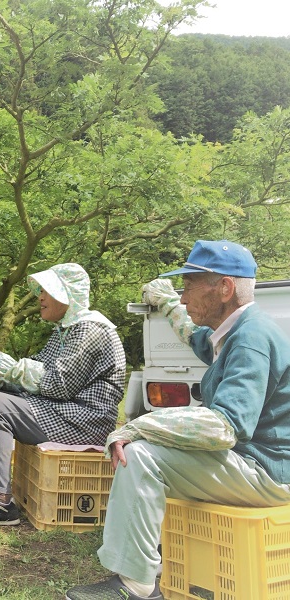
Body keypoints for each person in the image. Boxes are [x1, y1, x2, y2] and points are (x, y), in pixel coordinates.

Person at [66, 239, 290, 600]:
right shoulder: (236, 331)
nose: (184, 298)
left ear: (224, 288)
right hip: (255, 464)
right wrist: (166, 301)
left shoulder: (250, 339)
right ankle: (145, 569)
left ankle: (136, 586)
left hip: (265, 473)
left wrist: (140, 426)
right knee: (145, 449)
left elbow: (225, 426)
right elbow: (195, 337)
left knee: (141, 455)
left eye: (187, 288)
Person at [0, 263, 126, 526]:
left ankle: (0, 503)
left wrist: (10, 369)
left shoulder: (90, 330)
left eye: (47, 291)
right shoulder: (66, 330)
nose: (41, 298)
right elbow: (39, 366)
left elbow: (58, 384)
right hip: (64, 412)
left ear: (67, 294)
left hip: (84, 420)